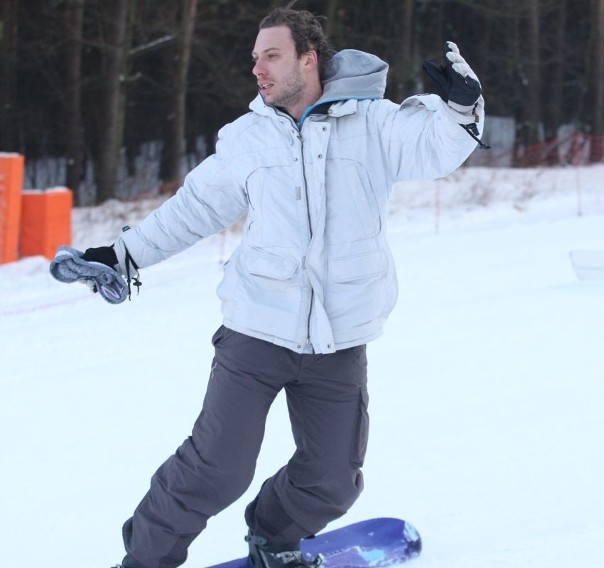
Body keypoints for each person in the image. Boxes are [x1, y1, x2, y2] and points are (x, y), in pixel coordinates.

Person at [70, 6, 484, 568]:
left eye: (272, 56)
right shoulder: (247, 139)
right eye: (255, 59)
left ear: (308, 59)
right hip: (256, 329)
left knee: (334, 479)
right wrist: (124, 255)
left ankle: (272, 536)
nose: (258, 69)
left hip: (338, 338)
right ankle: (145, 558)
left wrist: (462, 104)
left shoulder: (373, 123)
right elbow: (192, 209)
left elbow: (436, 144)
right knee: (217, 467)